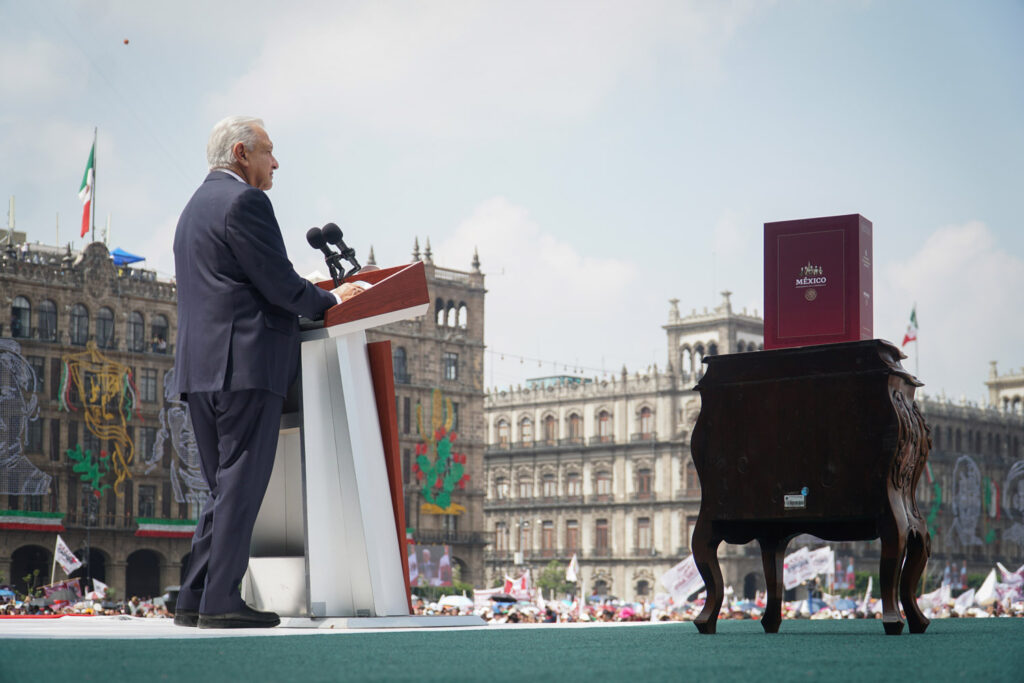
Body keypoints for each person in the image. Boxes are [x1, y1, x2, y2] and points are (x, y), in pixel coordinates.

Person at [171, 116, 360, 629]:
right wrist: (331, 298)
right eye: (268, 152)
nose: (275, 163)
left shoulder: (192, 208)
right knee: (241, 486)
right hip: (246, 367)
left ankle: (194, 596)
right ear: (240, 153)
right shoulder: (246, 202)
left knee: (221, 487)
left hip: (200, 371)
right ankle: (221, 602)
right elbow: (278, 282)